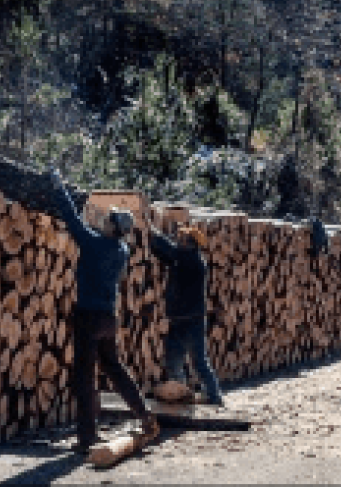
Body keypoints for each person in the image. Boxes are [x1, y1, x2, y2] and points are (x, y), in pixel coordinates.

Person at [49, 167, 158, 454]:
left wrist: (59, 188)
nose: (105, 221)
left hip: (87, 316)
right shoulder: (121, 250)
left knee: (84, 377)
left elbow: (72, 220)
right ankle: (145, 416)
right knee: (115, 368)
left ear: (112, 227)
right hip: (108, 317)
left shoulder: (94, 244)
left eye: (108, 220)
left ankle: (87, 438)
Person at [149, 221, 224, 406]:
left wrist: (153, 231)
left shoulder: (194, 261)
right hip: (179, 319)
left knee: (199, 361)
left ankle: (214, 396)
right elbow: (165, 255)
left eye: (182, 239)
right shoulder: (183, 259)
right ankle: (181, 394)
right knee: (174, 360)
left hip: (192, 320)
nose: (178, 241)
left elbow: (171, 252)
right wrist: (152, 241)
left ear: (190, 243)